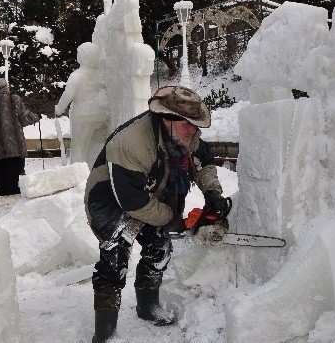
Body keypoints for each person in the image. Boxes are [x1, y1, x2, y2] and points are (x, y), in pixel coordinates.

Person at [85, 85, 231, 342]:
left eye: (196, 126)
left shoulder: (184, 134)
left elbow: (203, 160)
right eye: (190, 126)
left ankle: (147, 307)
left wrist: (212, 192)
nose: (194, 131)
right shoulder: (131, 144)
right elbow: (133, 203)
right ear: (168, 120)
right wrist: (171, 218)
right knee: (114, 260)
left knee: (159, 246)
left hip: (153, 191)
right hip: (111, 199)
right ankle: (104, 333)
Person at [0, 78, 39, 196]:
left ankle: (1, 190)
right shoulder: (14, 99)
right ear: (5, 87)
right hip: (13, 138)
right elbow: (24, 117)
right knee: (13, 163)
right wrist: (36, 117)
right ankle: (11, 189)